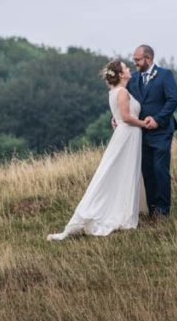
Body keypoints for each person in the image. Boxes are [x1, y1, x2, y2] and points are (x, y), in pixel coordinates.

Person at [47, 60, 148, 241]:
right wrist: (145, 124)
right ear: (120, 74)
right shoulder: (123, 91)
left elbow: (119, 116)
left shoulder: (115, 91)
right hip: (128, 134)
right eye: (125, 67)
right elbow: (125, 117)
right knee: (120, 171)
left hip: (127, 134)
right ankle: (113, 212)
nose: (128, 69)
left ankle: (123, 208)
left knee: (122, 171)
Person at [126, 44, 177, 217]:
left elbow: (172, 100)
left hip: (162, 131)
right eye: (134, 59)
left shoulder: (165, 75)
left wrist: (157, 119)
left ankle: (163, 211)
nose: (135, 62)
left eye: (138, 59)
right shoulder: (132, 79)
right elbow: (125, 103)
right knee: (147, 171)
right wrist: (118, 118)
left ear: (148, 58)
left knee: (160, 169)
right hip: (140, 133)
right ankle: (152, 209)